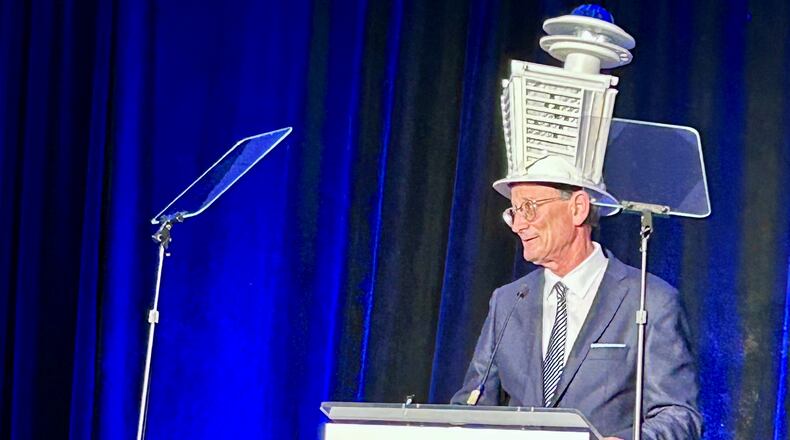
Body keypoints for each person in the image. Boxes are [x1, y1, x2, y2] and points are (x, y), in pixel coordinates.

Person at [451, 176, 702, 439]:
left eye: (529, 208)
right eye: (514, 212)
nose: (518, 225)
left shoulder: (649, 300)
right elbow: (473, 404)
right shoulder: (507, 300)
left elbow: (679, 415)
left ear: (578, 208)